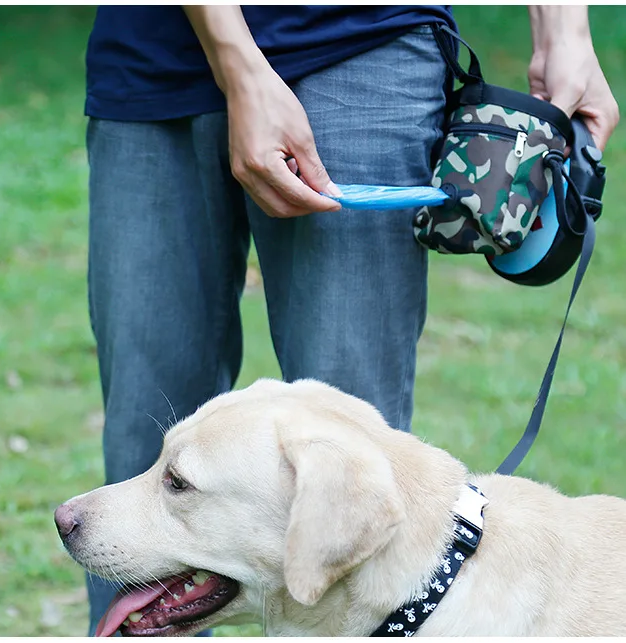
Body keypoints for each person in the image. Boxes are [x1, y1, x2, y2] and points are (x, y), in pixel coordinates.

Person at [82, 5, 618, 636]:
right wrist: (239, 65)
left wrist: (564, 28)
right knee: (149, 456)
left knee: (354, 481)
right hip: (153, 57)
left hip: (363, 55)